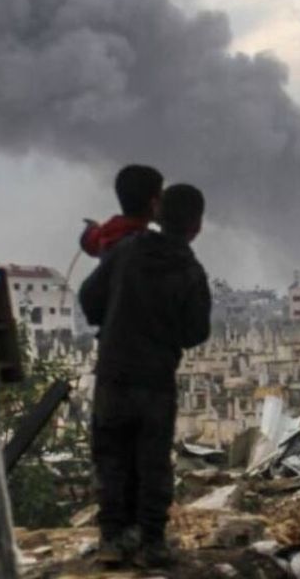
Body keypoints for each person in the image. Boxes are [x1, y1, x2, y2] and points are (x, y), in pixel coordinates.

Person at [79, 184, 212, 567]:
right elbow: (195, 332)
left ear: (157, 213)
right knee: (153, 462)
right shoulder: (190, 271)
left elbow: (89, 298)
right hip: (156, 379)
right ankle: (152, 542)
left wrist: (115, 318)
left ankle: (112, 539)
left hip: (114, 374)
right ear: (196, 227)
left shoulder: (125, 252)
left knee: (111, 458)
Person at [79, 165, 164, 258]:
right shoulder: (152, 246)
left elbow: (89, 240)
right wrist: (167, 222)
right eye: (161, 194)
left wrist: (92, 227)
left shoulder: (109, 232)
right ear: (153, 203)